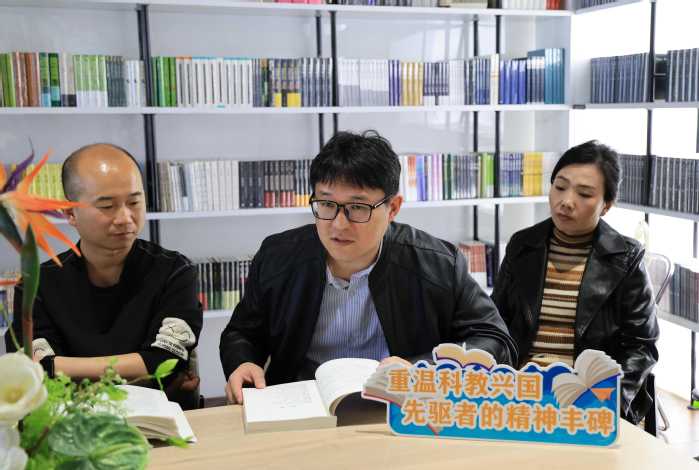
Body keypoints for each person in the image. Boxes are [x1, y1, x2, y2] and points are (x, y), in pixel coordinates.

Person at [220, 130, 517, 403]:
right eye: (327, 204)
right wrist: (243, 362)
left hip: (396, 405)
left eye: (357, 207)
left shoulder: (438, 263)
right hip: (302, 404)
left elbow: (496, 341)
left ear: (393, 208)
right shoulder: (278, 256)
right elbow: (242, 332)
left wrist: (424, 369)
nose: (338, 224)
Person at [4, 143, 203, 405]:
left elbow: (164, 361)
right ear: (70, 213)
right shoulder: (37, 285)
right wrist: (140, 367)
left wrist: (58, 366)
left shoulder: (174, 271)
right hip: (72, 420)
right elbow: (32, 371)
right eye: (107, 206)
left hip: (161, 416)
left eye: (134, 202)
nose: (125, 218)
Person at [491, 140, 659, 424]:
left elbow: (641, 346)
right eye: (560, 187)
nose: (566, 201)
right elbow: (495, 323)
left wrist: (609, 400)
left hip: (589, 399)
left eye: (584, 194)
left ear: (606, 205)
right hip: (521, 391)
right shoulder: (522, 245)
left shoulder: (626, 258)